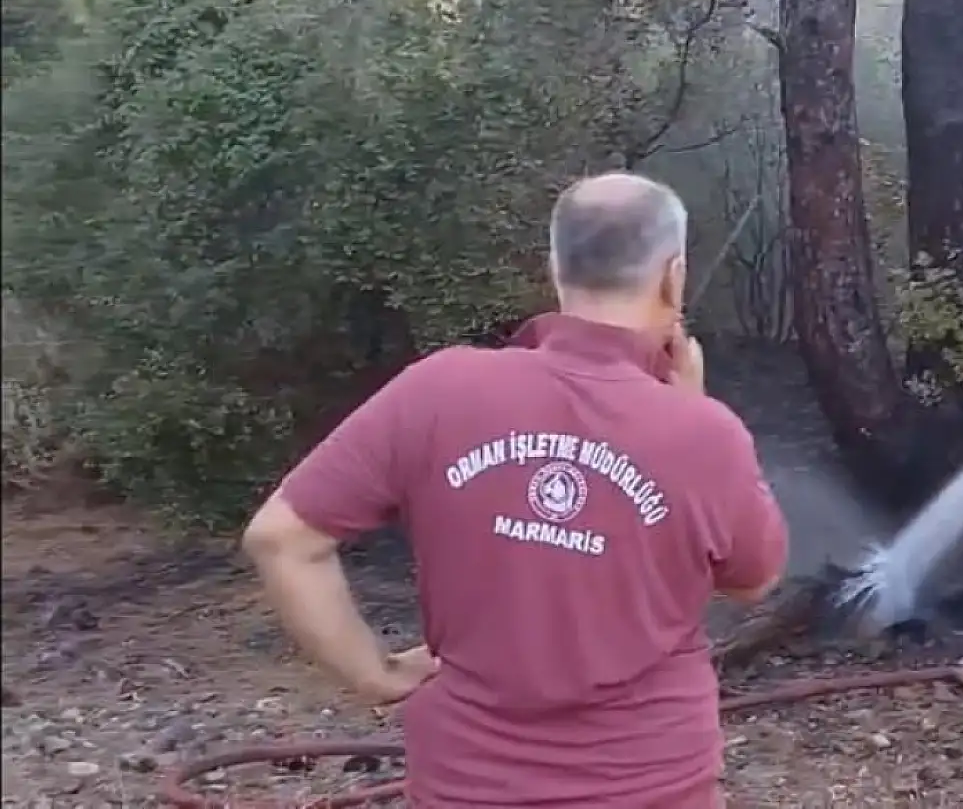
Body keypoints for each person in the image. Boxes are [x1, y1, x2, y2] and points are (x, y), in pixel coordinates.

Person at [242, 172, 789, 808]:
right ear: (674, 276)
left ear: (555, 267)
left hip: (469, 786)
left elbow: (281, 539)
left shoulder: (439, 390)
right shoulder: (705, 433)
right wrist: (692, 409)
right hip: (652, 787)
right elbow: (751, 580)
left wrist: (373, 672)